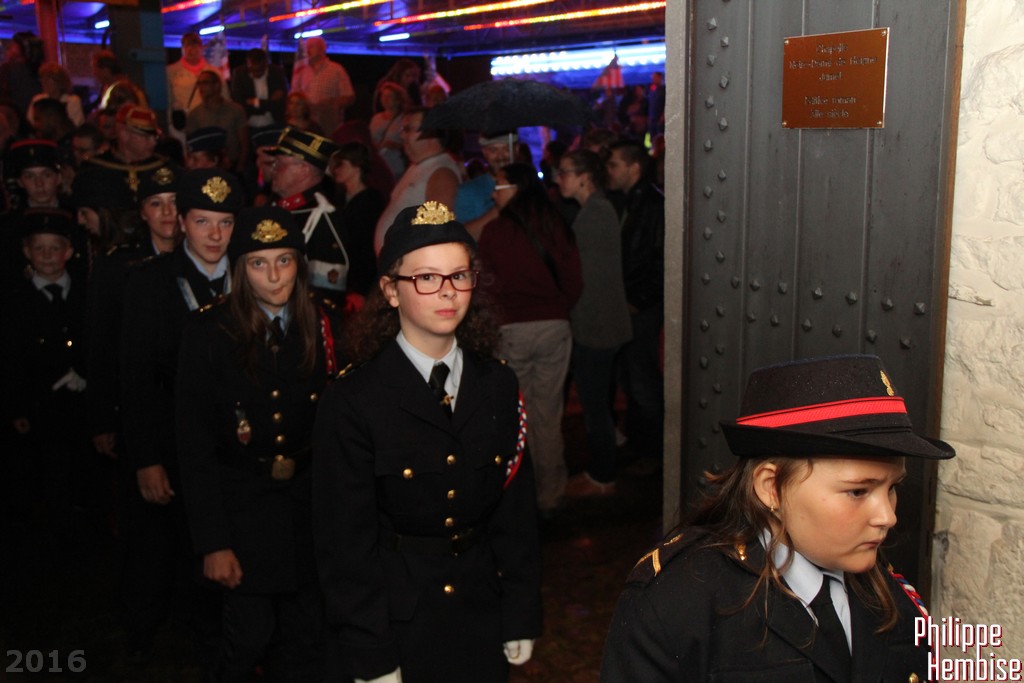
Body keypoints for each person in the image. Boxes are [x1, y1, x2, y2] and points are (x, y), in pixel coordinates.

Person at [600, 354, 954, 683]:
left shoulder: (891, 596)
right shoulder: (680, 601)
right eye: (858, 491)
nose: (888, 516)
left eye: (892, 488)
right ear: (771, 488)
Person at [313, 201, 542, 683]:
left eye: (458, 275)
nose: (447, 292)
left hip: (480, 613)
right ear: (390, 291)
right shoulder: (354, 399)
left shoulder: (496, 384)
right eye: (426, 278)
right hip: (399, 621)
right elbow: (345, 544)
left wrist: (521, 609)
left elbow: (515, 514)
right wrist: (371, 651)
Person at [176, 206, 344, 681]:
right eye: (258, 263)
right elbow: (195, 447)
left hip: (307, 511)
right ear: (240, 269)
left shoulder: (324, 326)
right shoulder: (209, 333)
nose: (274, 276)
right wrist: (213, 542)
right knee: (247, 638)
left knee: (307, 641)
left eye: (284, 261)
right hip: (243, 512)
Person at [118, 168, 244, 662]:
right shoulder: (151, 282)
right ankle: (152, 638)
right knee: (164, 549)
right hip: (171, 439)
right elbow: (135, 377)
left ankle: (227, 640)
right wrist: (145, 458)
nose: (214, 235)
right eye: (203, 222)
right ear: (182, 223)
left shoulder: (250, 276)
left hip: (234, 445)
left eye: (225, 223)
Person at [476, 162, 582, 516]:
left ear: (516, 189)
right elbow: (574, 280)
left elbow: (485, 287)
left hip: (512, 329)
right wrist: (557, 307)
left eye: (499, 187)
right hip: (554, 326)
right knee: (548, 413)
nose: (493, 194)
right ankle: (552, 492)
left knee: (517, 414)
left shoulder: (495, 232)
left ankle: (523, 493)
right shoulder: (556, 225)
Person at [1, 209, 90, 532]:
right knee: (45, 481)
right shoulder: (14, 301)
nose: (48, 255)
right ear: (27, 252)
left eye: (55, 248)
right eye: (40, 248)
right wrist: (16, 408)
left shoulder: (87, 293)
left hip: (82, 408)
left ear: (69, 251)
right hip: (39, 409)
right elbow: (10, 359)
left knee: (84, 479)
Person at [555, 149, 631, 497]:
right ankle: (608, 459)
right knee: (599, 400)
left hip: (597, 327)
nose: (559, 179)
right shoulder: (594, 210)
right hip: (600, 323)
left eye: (565, 172)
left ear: (585, 177)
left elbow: (589, 279)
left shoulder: (595, 213)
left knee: (595, 405)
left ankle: (602, 477)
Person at [606, 140, 665, 472]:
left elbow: (659, 261)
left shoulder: (652, 205)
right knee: (631, 377)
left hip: (640, 307)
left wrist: (637, 301)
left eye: (614, 164)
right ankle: (640, 444)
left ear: (634, 168)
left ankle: (653, 454)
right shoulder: (630, 202)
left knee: (642, 380)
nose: (609, 171)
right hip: (630, 304)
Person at [373, 107, 461, 253]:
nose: (401, 135)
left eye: (408, 129)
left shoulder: (442, 172)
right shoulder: (419, 166)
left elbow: (438, 229)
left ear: (430, 133)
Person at [330, 141, 385, 297]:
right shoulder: (338, 199)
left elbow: (365, 249)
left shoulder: (371, 201)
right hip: (341, 276)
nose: (336, 170)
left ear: (357, 166)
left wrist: (359, 289)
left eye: (341, 164)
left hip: (361, 281)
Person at [166, 32, 226, 146]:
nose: (191, 50)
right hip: (181, 127)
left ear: (201, 48)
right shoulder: (170, 72)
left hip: (209, 124)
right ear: (182, 48)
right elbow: (168, 101)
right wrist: (171, 123)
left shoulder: (215, 72)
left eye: (194, 46)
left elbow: (224, 98)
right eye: (187, 46)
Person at [186, 70, 249, 176]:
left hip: (233, 166)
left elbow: (244, 142)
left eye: (205, 83)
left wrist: (241, 165)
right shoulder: (195, 114)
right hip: (206, 169)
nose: (201, 87)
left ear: (217, 85)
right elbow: (191, 146)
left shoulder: (236, 110)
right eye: (199, 83)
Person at [454, 130, 516, 238]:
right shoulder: (467, 191)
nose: (501, 157)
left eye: (507, 149)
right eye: (493, 150)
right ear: (484, 152)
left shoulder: (530, 186)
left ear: (516, 149)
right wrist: (501, 205)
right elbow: (464, 237)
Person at [290, 36, 355, 136]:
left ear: (322, 49)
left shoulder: (336, 70)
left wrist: (331, 102)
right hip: (306, 125)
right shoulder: (302, 71)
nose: (308, 50)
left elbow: (350, 97)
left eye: (311, 47)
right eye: (307, 47)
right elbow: (294, 96)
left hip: (328, 124)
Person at [230, 48, 288, 130]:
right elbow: (239, 102)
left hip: (274, 123)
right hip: (247, 125)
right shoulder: (239, 73)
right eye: (252, 70)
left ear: (266, 63)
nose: (255, 74)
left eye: (260, 70)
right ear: (247, 63)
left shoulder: (277, 73)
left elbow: (279, 104)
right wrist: (267, 104)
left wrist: (255, 102)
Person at [369, 81, 409, 179]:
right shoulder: (376, 118)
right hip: (378, 165)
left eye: (389, 96)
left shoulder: (404, 119)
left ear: (397, 100)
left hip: (395, 166)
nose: (385, 99)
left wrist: (396, 145)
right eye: (383, 96)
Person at [29, 63, 84, 128]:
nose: (45, 82)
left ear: (60, 81)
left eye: (49, 80)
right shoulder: (37, 100)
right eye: (43, 79)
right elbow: (30, 122)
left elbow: (75, 124)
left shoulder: (72, 101)